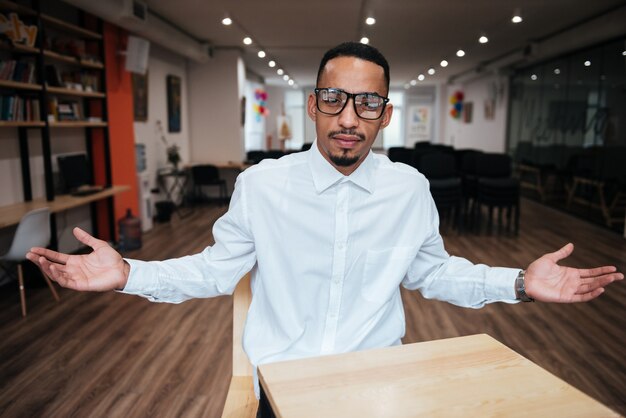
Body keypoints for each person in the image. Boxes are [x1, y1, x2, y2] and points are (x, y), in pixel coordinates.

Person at [27, 42, 622, 416]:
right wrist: (129, 272)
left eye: (367, 104)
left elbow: (434, 273)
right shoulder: (262, 186)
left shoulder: (408, 189)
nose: (348, 118)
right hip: (282, 387)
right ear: (313, 104)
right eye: (335, 99)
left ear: (385, 115)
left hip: (379, 385)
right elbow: (214, 270)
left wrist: (519, 282)